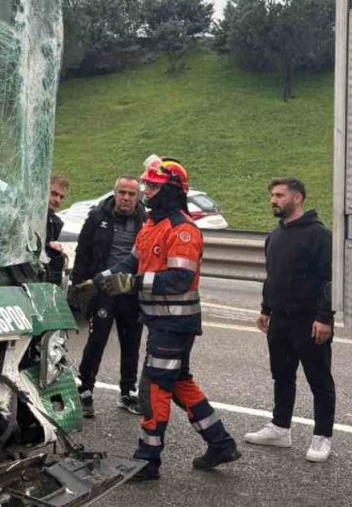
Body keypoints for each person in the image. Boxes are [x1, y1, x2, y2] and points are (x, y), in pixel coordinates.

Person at [91, 155, 239, 481]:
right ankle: (221, 443)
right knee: (178, 383)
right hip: (160, 322)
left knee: (154, 387)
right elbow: (131, 263)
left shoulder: (183, 231)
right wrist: (97, 281)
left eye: (153, 186)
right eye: (147, 184)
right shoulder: (151, 224)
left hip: (175, 323)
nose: (146, 191)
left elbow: (178, 280)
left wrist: (130, 284)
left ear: (171, 191)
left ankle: (147, 459)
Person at [244, 178, 336, 463]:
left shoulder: (319, 235)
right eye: (272, 195)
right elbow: (273, 276)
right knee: (282, 376)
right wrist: (265, 309)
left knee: (319, 380)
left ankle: (322, 436)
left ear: (298, 198)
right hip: (279, 321)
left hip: (309, 322)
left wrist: (324, 317)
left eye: (279, 195)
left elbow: (330, 279)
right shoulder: (275, 235)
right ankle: (280, 428)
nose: (273, 200)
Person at [73, 175, 145, 418]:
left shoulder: (146, 221)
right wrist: (79, 286)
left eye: (131, 194)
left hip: (130, 291)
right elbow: (83, 251)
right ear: (115, 193)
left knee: (131, 342)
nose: (126, 198)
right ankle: (85, 390)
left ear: (138, 197)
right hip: (103, 290)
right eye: (122, 192)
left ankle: (127, 392)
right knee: (97, 341)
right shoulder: (97, 217)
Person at [44, 175, 70, 286]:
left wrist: (62, 257)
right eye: (54, 194)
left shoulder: (55, 222)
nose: (57, 200)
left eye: (61, 197)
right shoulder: (27, 217)